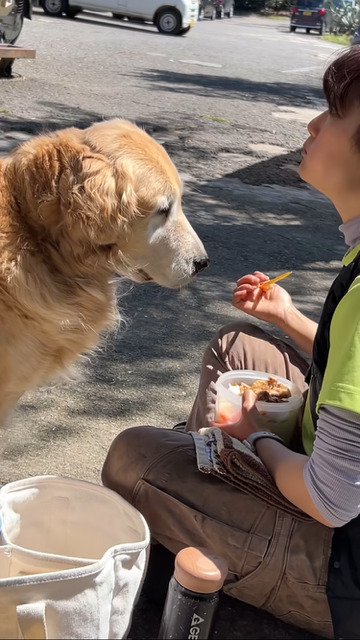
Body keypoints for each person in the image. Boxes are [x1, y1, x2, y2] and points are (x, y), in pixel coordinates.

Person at [102, 46, 360, 640]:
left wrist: (259, 438)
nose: (312, 125)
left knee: (132, 457)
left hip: (339, 567)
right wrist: (288, 317)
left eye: (332, 115)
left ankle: (205, 533)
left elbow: (332, 498)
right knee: (237, 347)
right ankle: (211, 489)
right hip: (337, 479)